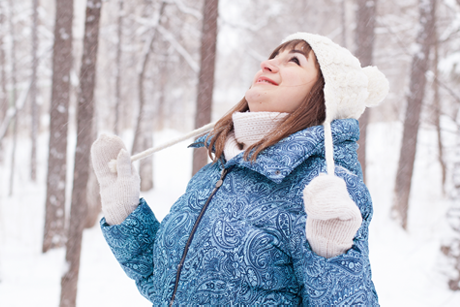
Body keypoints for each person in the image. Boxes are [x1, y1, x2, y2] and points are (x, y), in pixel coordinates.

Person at [91, 32, 389, 306]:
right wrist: (125, 212)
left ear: (325, 95)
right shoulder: (218, 171)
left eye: (294, 60)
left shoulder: (327, 189)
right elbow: (163, 284)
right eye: (273, 55)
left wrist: (331, 256)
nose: (268, 63)